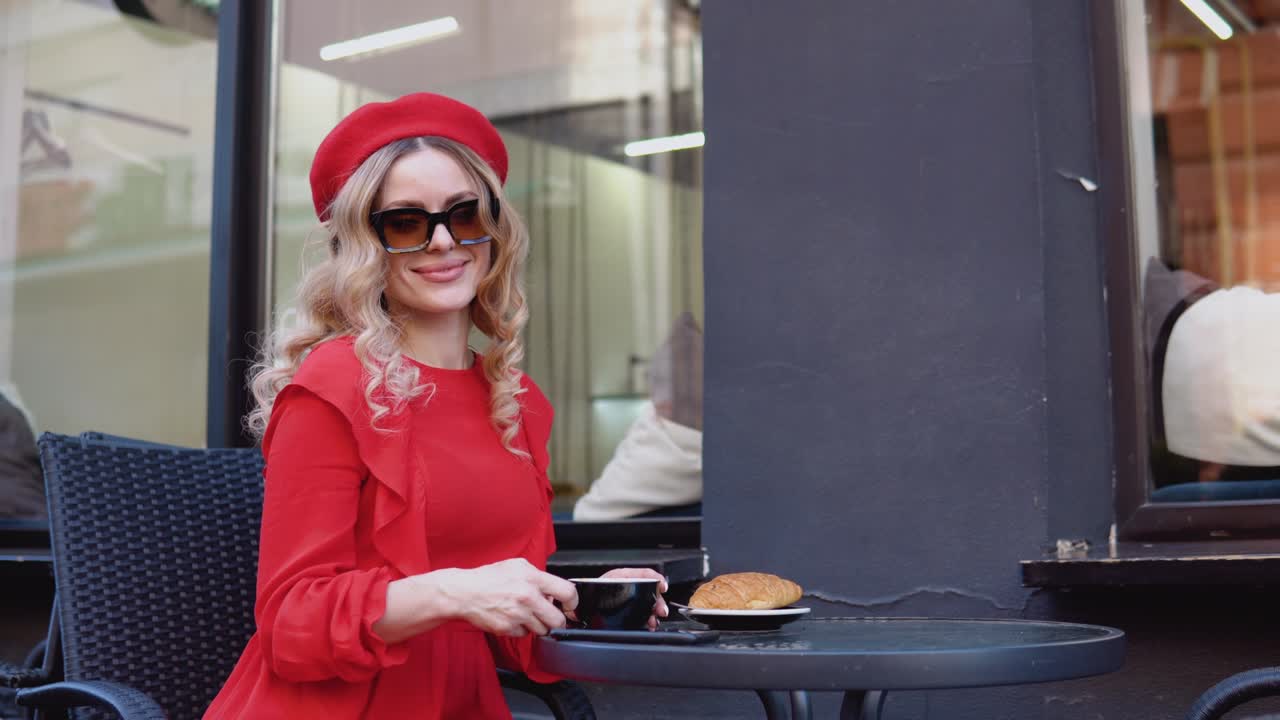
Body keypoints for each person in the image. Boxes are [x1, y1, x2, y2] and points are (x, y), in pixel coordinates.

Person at [203, 93, 666, 720]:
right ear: (364, 245)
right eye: (405, 222)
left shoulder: (516, 403)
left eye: (464, 213)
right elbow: (291, 624)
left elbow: (504, 620)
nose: (444, 241)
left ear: (494, 227)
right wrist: (453, 591)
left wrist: (582, 601)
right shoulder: (332, 385)